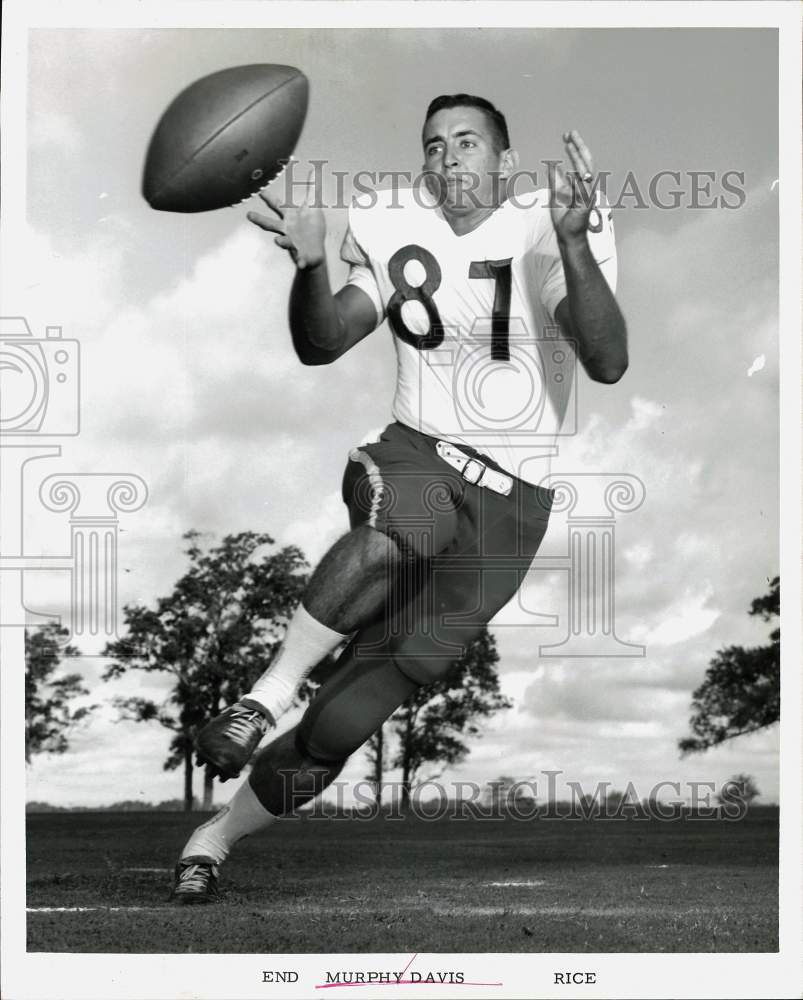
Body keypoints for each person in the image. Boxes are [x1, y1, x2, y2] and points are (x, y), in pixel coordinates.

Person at [170, 94, 627, 902]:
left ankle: (213, 837)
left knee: (337, 730)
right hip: (418, 451)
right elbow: (324, 341)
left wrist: (572, 242)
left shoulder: (548, 222)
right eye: (433, 145)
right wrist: (312, 266)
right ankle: (259, 698)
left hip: (513, 512)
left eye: (466, 142)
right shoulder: (385, 220)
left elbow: (608, 361)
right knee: (400, 528)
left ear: (505, 160)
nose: (446, 157)